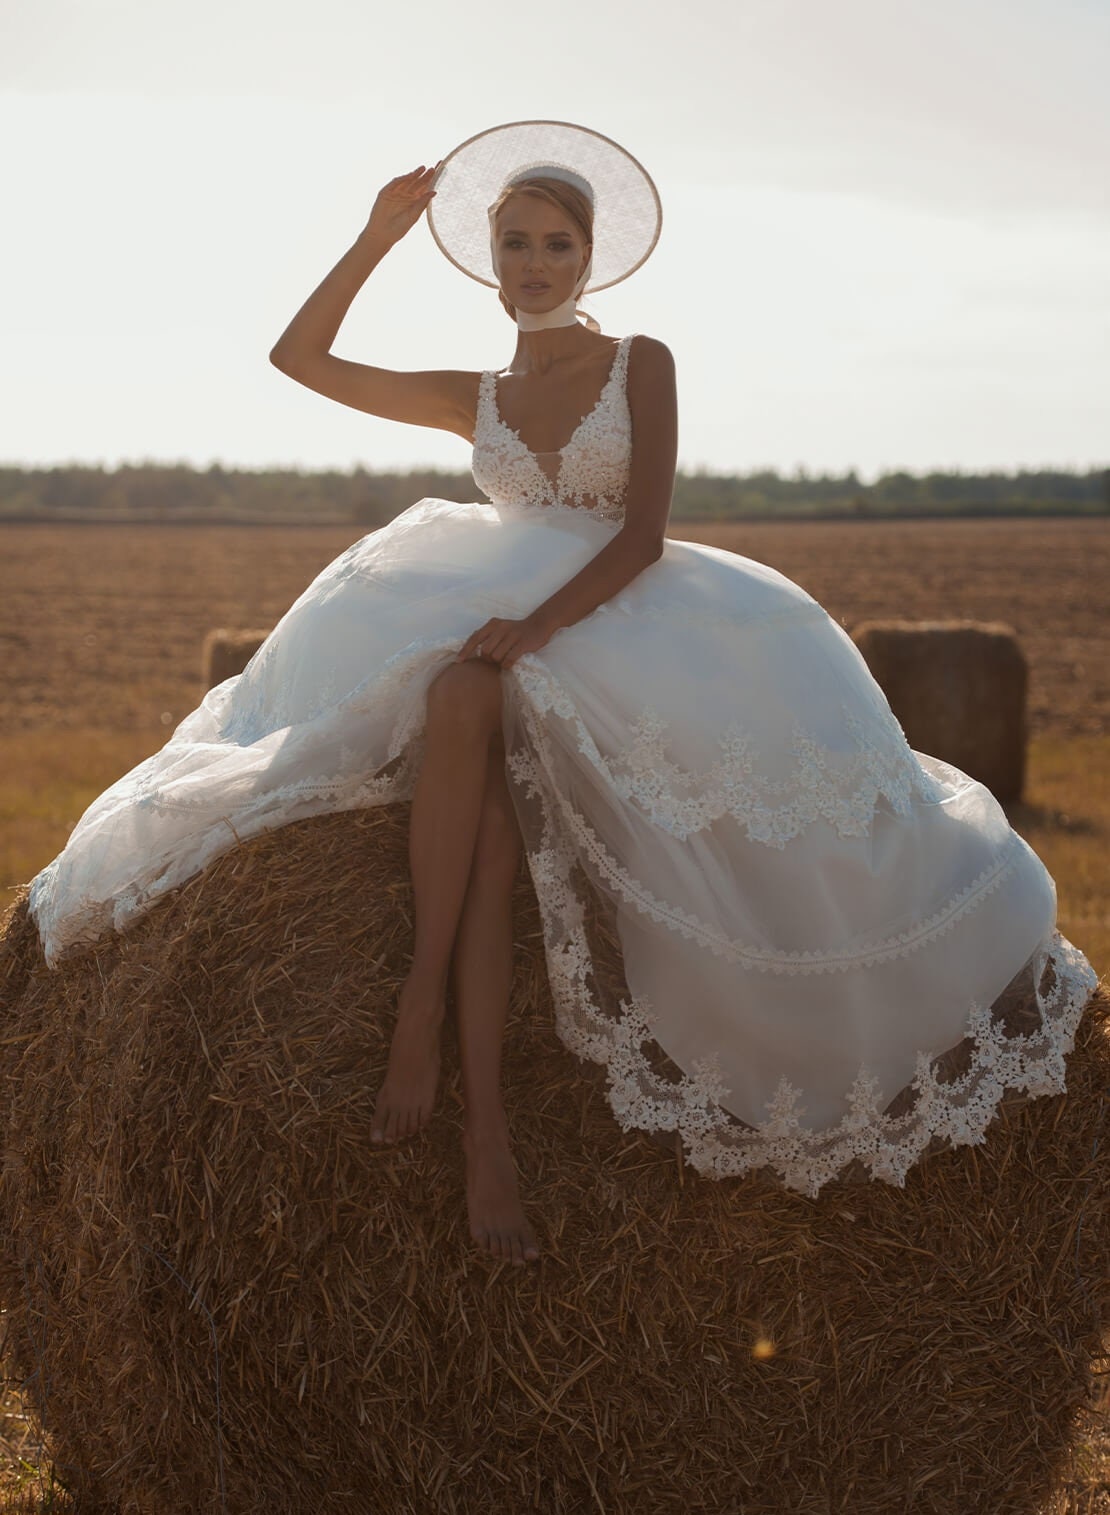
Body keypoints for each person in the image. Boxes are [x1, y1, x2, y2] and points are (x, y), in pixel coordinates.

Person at [26, 122, 1100, 1270]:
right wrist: (376, 235)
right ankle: (454, 1063)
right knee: (468, 744)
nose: (535, 264)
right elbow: (300, 359)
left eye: (556, 244)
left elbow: (642, 536)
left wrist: (534, 630)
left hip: (616, 621)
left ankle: (444, 1048)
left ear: (591, 259)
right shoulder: (472, 396)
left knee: (471, 698)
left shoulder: (641, 363)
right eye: (516, 244)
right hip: (487, 627)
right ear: (491, 258)